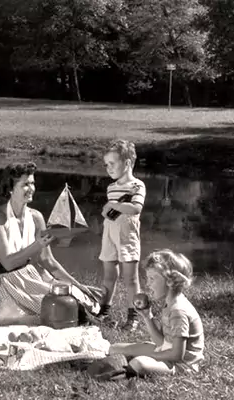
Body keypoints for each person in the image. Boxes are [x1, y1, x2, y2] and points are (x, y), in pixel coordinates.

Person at [0, 162, 82, 323]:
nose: (31, 188)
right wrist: (37, 245)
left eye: (32, 183)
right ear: (11, 188)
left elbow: (48, 261)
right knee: (61, 309)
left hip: (32, 278)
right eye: (25, 184)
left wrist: (78, 285)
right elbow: (7, 263)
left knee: (77, 299)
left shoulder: (36, 217)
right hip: (7, 283)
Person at [103, 249, 205, 378]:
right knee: (115, 348)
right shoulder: (169, 303)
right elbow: (161, 342)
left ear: (170, 282)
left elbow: (177, 354)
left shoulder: (179, 311)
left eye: (152, 278)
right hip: (167, 351)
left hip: (181, 365)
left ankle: (125, 373)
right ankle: (123, 364)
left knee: (139, 363)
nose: (148, 284)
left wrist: (151, 355)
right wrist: (147, 316)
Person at [98, 139, 146, 331]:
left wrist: (114, 205)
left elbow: (135, 208)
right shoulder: (111, 187)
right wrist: (106, 211)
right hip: (109, 233)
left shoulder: (137, 185)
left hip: (127, 236)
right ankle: (103, 312)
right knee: (109, 276)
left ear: (127, 163)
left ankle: (133, 317)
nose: (108, 168)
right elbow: (112, 210)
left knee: (131, 279)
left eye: (112, 163)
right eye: (106, 164)